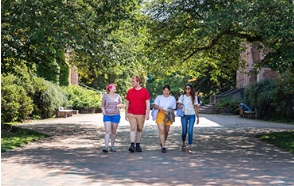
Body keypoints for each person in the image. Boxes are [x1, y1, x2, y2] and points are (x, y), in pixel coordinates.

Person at [125, 76, 150, 153]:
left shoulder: (145, 91)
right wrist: (126, 113)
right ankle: (132, 144)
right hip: (131, 113)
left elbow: (147, 103)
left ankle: (138, 144)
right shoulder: (130, 91)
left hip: (141, 113)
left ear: (138, 81)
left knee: (139, 129)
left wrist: (147, 113)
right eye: (132, 81)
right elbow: (127, 103)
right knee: (133, 128)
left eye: (133, 81)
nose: (132, 83)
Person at [152, 85, 177, 153]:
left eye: (167, 91)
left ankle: (163, 142)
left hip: (168, 115)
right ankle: (163, 146)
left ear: (169, 91)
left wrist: (169, 110)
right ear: (163, 91)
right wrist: (159, 107)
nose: (166, 92)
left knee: (166, 131)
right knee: (162, 130)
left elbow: (174, 107)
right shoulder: (159, 97)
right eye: (165, 90)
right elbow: (154, 105)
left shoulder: (172, 98)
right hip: (160, 114)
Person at [178, 84, 200, 154]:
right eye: (186, 88)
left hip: (191, 115)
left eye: (189, 88)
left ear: (191, 89)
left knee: (190, 131)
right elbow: (178, 105)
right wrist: (180, 106)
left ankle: (189, 146)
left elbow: (196, 107)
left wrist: (198, 117)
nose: (187, 90)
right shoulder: (182, 97)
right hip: (184, 115)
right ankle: (183, 143)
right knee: (184, 131)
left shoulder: (194, 97)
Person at [101, 83, 124, 153]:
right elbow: (102, 105)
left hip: (115, 115)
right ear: (110, 88)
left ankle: (112, 146)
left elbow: (121, 104)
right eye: (114, 87)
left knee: (113, 131)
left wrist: (119, 106)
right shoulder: (105, 96)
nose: (115, 88)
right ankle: (106, 147)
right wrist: (103, 111)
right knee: (107, 131)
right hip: (107, 115)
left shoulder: (118, 96)